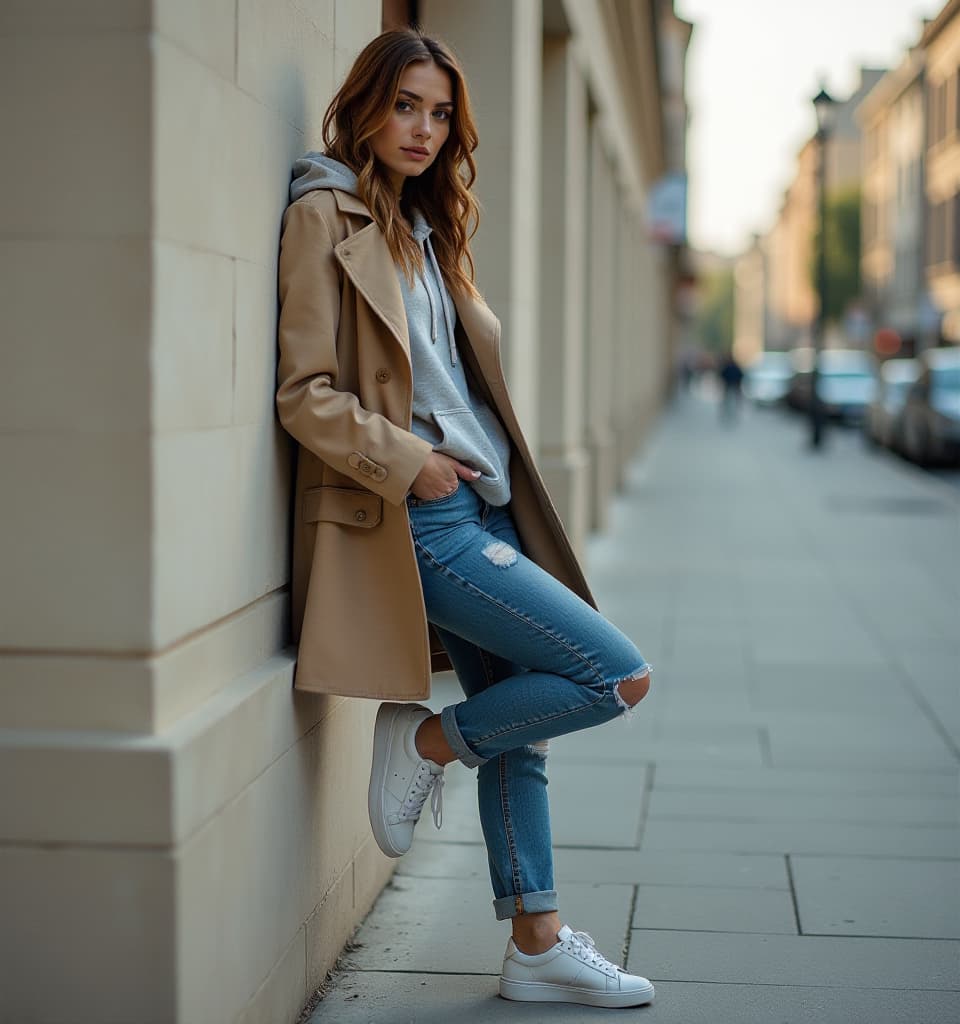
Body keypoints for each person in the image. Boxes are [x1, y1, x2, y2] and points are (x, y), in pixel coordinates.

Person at [276, 28, 654, 1009]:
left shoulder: (425, 225)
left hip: (486, 507)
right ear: (365, 103)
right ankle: (427, 743)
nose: (425, 129)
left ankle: (536, 941)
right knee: (613, 673)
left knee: (522, 729)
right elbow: (306, 393)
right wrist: (413, 467)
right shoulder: (328, 213)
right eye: (406, 105)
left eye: (440, 114)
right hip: (421, 521)